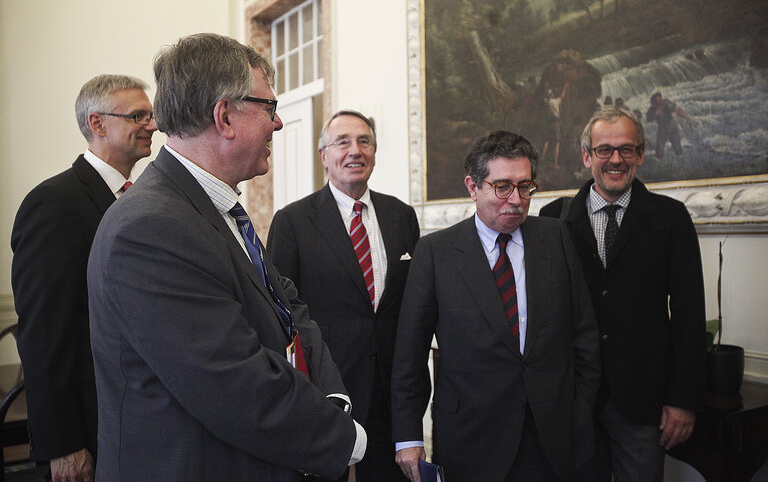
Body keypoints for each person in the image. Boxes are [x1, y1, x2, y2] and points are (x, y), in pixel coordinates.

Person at [87, 33, 365, 481]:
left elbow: (292, 314)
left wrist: (333, 403)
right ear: (225, 116)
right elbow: (234, 386)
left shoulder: (214, 207)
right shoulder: (152, 227)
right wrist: (347, 442)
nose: (278, 125)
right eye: (269, 109)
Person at [391, 131, 601, 482]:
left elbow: (585, 335)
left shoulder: (556, 238)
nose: (516, 200)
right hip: (471, 440)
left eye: (525, 187)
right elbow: (409, 357)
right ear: (473, 187)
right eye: (502, 186)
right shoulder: (436, 253)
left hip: (553, 437)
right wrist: (409, 436)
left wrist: (578, 412)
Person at [540, 106, 705, 482]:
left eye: (626, 149)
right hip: (572, 398)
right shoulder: (552, 220)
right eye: (604, 150)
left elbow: (689, 313)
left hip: (642, 400)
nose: (616, 159)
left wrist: (683, 400)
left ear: (641, 155)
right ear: (587, 156)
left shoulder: (671, 218)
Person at [10, 74, 155, 482]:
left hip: (139, 411)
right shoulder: (55, 203)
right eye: (138, 116)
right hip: (89, 419)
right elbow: (43, 334)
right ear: (97, 124)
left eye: (151, 114)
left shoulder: (142, 198)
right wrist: (63, 444)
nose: (153, 125)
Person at [267, 110, 419, 482]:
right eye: (343, 142)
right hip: (331, 396)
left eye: (364, 141)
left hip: (392, 398)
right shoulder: (293, 222)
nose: (355, 150)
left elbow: (412, 306)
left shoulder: (401, 215)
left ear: (375, 152)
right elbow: (279, 315)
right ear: (324, 155)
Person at [645, 92, 692, 159]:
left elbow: (678, 110)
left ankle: (681, 160)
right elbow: (648, 119)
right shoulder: (652, 109)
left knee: (678, 150)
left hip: (672, 128)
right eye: (655, 102)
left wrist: (687, 118)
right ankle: (659, 162)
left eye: (659, 100)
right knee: (659, 152)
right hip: (662, 130)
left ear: (661, 99)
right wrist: (654, 115)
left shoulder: (666, 103)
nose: (658, 103)